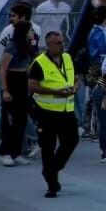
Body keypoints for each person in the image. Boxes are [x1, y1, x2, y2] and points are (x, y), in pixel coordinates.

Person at [28, 31, 79, 198]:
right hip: (47, 111)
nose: (61, 45)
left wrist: (74, 88)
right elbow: (32, 86)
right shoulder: (39, 63)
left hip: (66, 110)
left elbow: (76, 78)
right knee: (48, 147)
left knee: (71, 140)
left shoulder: (68, 58)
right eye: (58, 43)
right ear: (49, 44)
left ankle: (52, 168)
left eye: (62, 42)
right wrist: (55, 92)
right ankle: (51, 184)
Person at [0, 19, 38, 166]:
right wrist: (5, 90)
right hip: (12, 80)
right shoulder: (12, 47)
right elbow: (3, 69)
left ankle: (16, 152)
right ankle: (5, 151)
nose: (32, 33)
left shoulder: (26, 46)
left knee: (21, 119)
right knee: (10, 119)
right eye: (30, 30)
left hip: (22, 81)